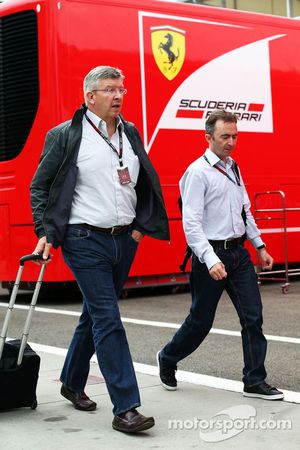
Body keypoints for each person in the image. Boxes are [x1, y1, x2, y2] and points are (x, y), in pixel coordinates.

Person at [30, 65, 170, 433]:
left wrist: (140, 230)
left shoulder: (131, 132)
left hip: (124, 239)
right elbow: (40, 187)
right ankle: (126, 407)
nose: (119, 96)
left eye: (121, 89)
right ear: (90, 97)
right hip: (83, 239)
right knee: (108, 318)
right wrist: (45, 230)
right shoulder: (66, 135)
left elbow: (142, 183)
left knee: (93, 314)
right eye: (110, 90)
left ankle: (72, 382)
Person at [157, 109, 284, 401]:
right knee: (200, 321)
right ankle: (168, 357)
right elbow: (191, 224)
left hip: (238, 254)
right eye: (225, 136)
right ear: (208, 137)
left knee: (253, 317)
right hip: (209, 255)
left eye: (235, 136)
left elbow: (245, 210)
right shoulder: (197, 172)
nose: (231, 142)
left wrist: (260, 245)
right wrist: (210, 259)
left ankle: (254, 380)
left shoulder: (233, 167)